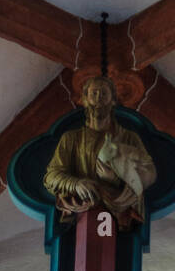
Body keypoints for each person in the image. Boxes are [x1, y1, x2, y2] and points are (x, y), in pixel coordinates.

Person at [43, 75, 156, 228]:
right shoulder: (71, 139)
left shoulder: (128, 138)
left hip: (119, 207)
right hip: (83, 207)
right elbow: (51, 176)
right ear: (85, 99)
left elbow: (148, 174)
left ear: (113, 100)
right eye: (93, 93)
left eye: (104, 94)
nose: (98, 99)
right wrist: (75, 184)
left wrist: (115, 179)